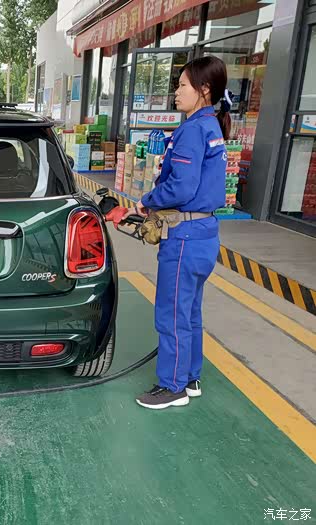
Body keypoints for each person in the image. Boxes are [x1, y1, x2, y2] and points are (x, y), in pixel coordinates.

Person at [124, 56, 230, 410]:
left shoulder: (192, 130)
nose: (176, 91)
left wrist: (147, 201)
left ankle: (172, 387)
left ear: (204, 90)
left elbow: (182, 186)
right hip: (204, 233)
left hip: (184, 236)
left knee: (171, 313)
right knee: (190, 312)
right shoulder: (211, 127)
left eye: (183, 85)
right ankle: (190, 377)